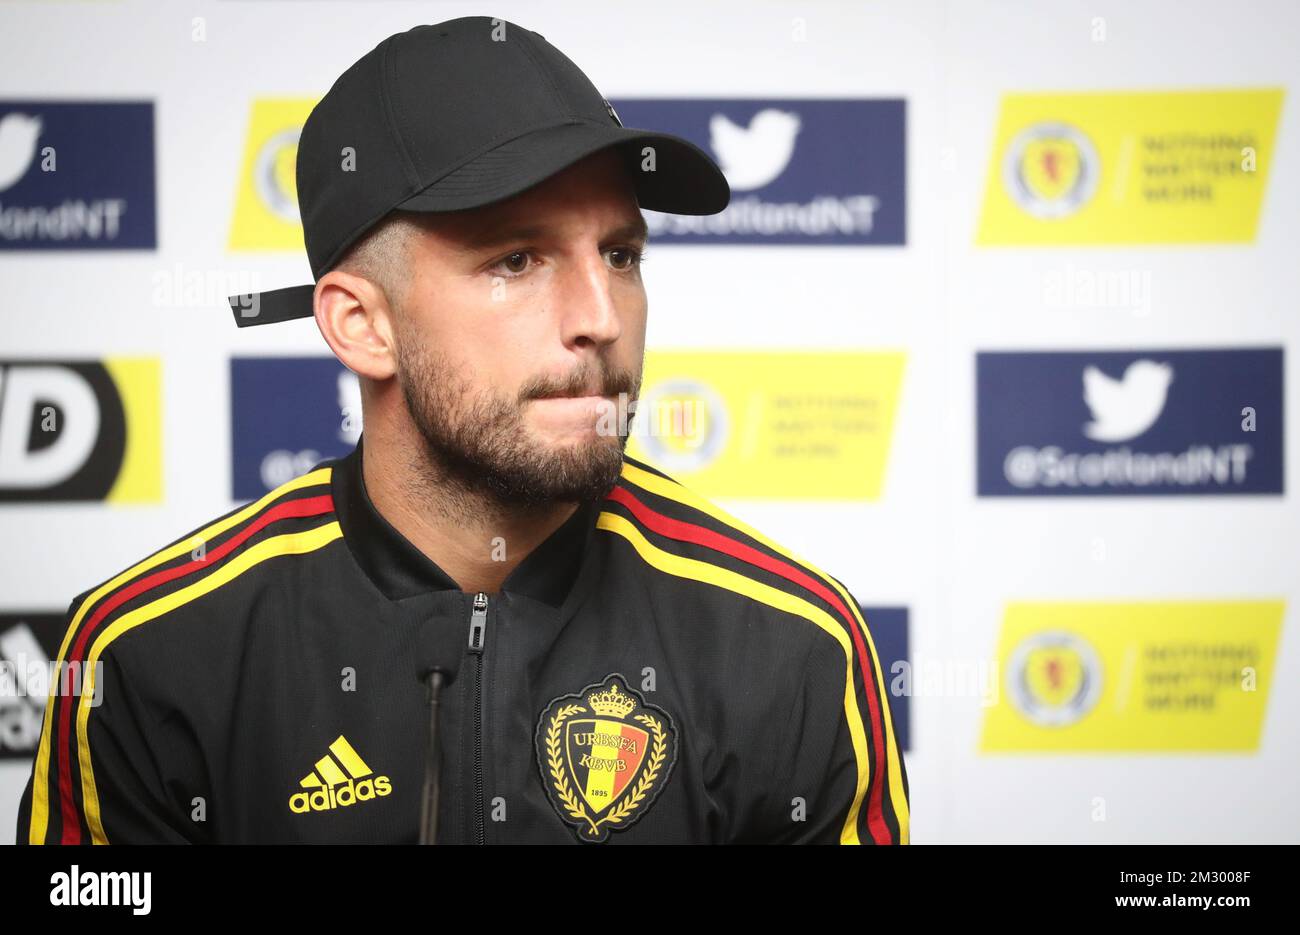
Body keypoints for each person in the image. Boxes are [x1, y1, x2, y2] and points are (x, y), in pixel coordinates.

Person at [16, 15, 908, 844]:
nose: (601, 315)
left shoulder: (794, 645)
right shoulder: (145, 657)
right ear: (363, 325)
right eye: (516, 259)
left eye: (621, 255)